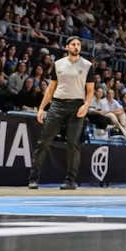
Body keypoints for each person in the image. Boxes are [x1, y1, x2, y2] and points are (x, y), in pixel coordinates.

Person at [29, 37, 94, 190]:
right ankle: (33, 178)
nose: (76, 47)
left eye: (78, 45)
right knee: (44, 142)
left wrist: (86, 105)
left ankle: (70, 181)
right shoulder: (58, 64)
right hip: (57, 105)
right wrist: (41, 108)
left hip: (77, 106)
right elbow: (51, 89)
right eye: (73, 44)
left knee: (73, 144)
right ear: (67, 47)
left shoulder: (87, 65)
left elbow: (90, 90)